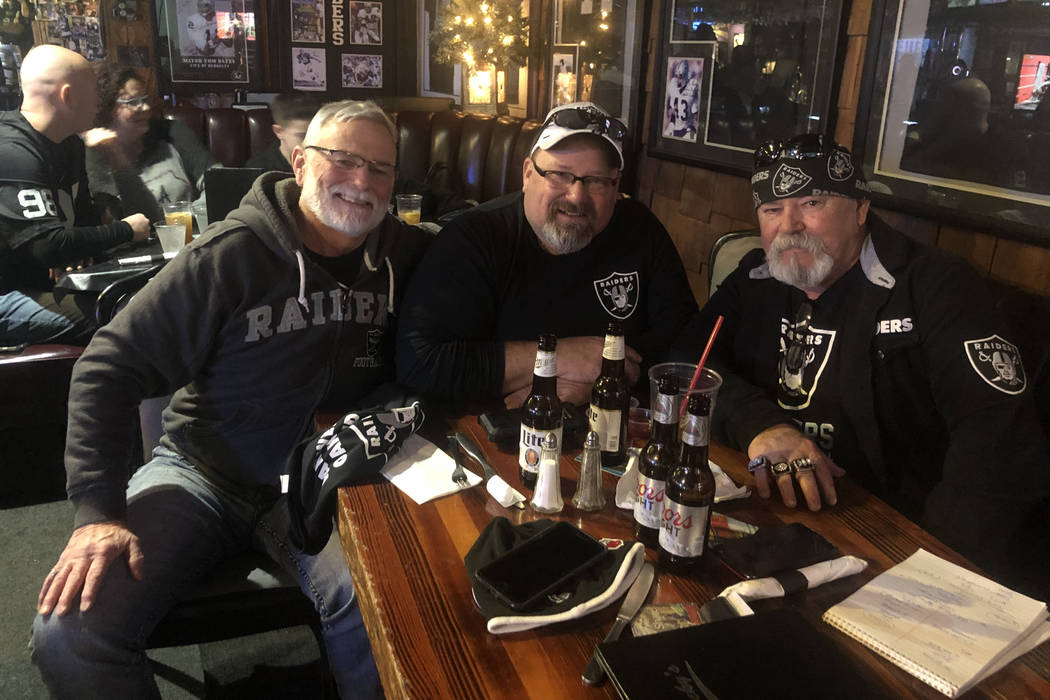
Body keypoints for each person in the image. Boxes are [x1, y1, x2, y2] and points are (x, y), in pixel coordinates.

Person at [29, 100, 431, 698]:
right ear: (299, 161)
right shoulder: (230, 254)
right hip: (202, 473)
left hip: (321, 478)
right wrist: (99, 513)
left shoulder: (409, 256)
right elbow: (107, 366)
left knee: (384, 608)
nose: (362, 182)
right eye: (343, 160)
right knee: (70, 634)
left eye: (380, 168)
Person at [672, 135, 1049, 577]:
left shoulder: (936, 286)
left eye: (812, 203)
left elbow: (998, 445)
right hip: (775, 511)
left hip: (899, 533)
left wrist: (937, 570)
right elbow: (686, 362)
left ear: (861, 209)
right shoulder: (755, 277)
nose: (789, 225)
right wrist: (761, 425)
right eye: (772, 209)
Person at [396, 101, 698, 407]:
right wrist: (559, 358)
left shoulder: (640, 229)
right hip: (495, 436)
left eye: (596, 181)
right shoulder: (474, 237)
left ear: (616, 185)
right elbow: (419, 361)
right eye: (559, 175)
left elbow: (688, 341)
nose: (577, 196)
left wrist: (605, 378)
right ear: (528, 174)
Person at [0, 45, 150, 347]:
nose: (98, 103)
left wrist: (73, 248)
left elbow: (83, 223)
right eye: (93, 92)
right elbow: (46, 247)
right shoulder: (13, 151)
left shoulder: (69, 144)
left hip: (37, 281)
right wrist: (126, 230)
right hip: (7, 294)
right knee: (128, 314)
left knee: (154, 295)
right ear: (67, 96)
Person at [83, 64, 217, 224]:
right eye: (133, 102)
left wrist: (190, 219)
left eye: (145, 99)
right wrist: (116, 156)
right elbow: (134, 220)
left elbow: (219, 181)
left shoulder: (171, 131)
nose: (145, 107)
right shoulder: (96, 155)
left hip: (191, 237)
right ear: (107, 109)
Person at [246, 90, 322, 173]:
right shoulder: (259, 170)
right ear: (279, 132)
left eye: (316, 134)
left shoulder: (326, 162)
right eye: (302, 136)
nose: (312, 143)